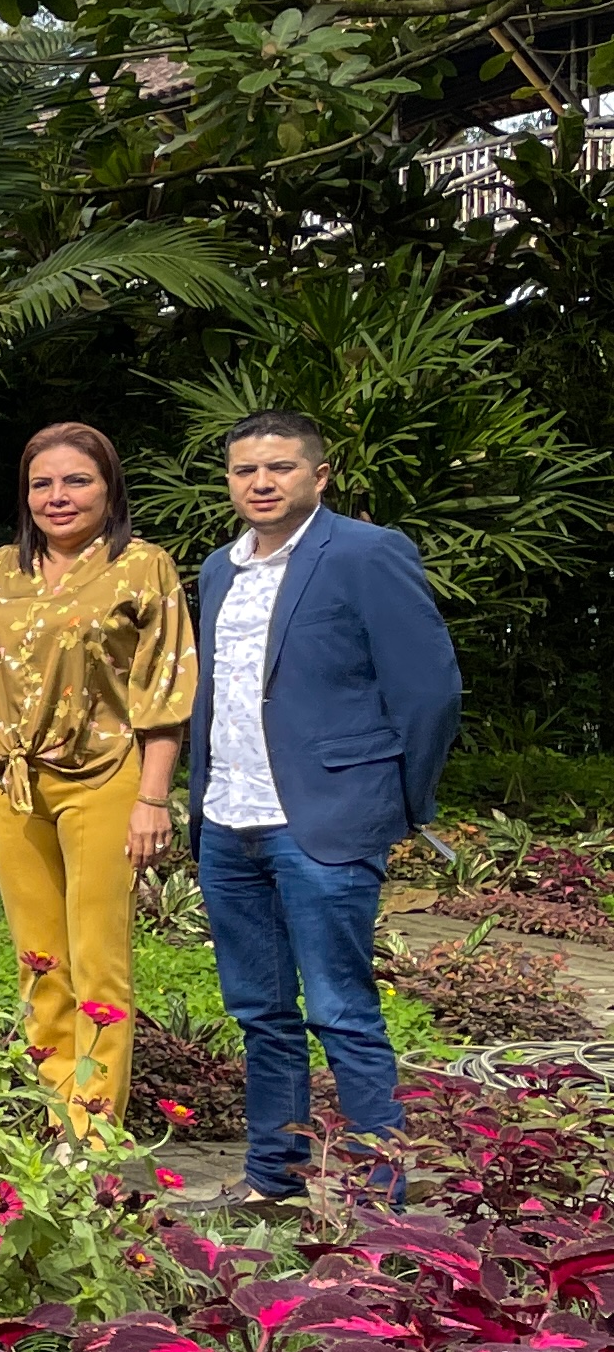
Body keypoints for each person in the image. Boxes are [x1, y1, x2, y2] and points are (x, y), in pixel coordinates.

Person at [189, 410, 461, 1203]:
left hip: (327, 819)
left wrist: (401, 800)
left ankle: (382, 1201)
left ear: (319, 474)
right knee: (260, 1011)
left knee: (343, 1010)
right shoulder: (219, 569)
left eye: (279, 468)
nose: (261, 483)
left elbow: (429, 689)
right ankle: (273, 1176)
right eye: (246, 471)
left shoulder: (367, 554)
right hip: (229, 818)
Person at [0, 421, 199, 1124]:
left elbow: (164, 689)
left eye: (76, 480)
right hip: (10, 783)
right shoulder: (1, 568)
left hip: (105, 775)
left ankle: (89, 1133)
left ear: (109, 487)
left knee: (97, 962)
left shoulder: (142, 566)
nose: (58, 497)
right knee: (38, 960)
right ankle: (50, 1108)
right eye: (42, 484)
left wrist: (154, 798)